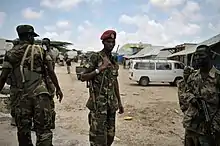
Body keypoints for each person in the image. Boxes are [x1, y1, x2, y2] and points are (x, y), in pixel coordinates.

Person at [0, 24, 63, 146]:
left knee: (23, 132)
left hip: (20, 98)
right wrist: (58, 89)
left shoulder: (11, 54)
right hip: (40, 96)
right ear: (29, 36)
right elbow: (50, 71)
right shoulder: (40, 51)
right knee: (44, 131)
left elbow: (3, 77)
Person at [80, 30, 124, 146]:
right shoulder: (95, 57)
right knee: (98, 139)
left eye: (113, 42)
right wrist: (100, 69)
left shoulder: (113, 61)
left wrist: (119, 102)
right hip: (98, 106)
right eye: (108, 42)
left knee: (110, 136)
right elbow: (82, 76)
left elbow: (115, 82)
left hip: (111, 105)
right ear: (103, 42)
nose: (111, 44)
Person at [183, 44, 220, 146]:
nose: (197, 58)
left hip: (210, 128)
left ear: (210, 56)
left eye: (201, 55)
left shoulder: (217, 78)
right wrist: (192, 99)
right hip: (191, 125)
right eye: (196, 55)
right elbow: (186, 92)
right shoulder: (193, 76)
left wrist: (215, 124)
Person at [177, 66, 195, 145]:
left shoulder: (194, 83)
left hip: (195, 110)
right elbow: (180, 96)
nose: (185, 75)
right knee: (188, 130)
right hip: (186, 109)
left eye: (187, 73)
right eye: (184, 73)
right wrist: (183, 108)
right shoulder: (181, 83)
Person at [42, 37, 56, 129]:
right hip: (48, 80)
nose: (43, 46)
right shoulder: (49, 53)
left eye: (45, 44)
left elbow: (50, 70)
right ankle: (50, 122)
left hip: (48, 80)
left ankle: (50, 122)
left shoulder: (49, 54)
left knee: (48, 101)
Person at [6, 38, 20, 126]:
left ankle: (14, 119)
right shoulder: (23, 53)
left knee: (14, 101)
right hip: (21, 82)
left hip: (14, 83)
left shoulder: (10, 53)